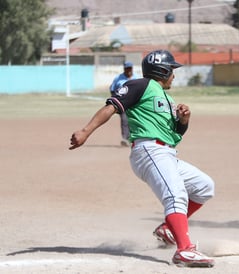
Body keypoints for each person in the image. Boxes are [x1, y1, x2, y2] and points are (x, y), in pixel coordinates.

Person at [69, 50, 215, 268]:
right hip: (149, 150)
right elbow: (111, 107)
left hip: (167, 153)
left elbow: (175, 133)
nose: (174, 75)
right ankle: (184, 250)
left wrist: (184, 120)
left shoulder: (166, 97)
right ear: (162, 71)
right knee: (176, 196)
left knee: (204, 186)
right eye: (171, 70)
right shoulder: (140, 85)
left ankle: (168, 228)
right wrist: (85, 131)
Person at [109, 61, 138, 146]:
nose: (128, 70)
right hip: (123, 103)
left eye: (130, 68)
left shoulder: (137, 77)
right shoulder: (118, 78)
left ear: (132, 69)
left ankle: (134, 138)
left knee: (135, 120)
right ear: (124, 69)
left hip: (135, 104)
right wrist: (116, 100)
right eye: (127, 68)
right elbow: (112, 89)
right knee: (124, 121)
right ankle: (125, 138)